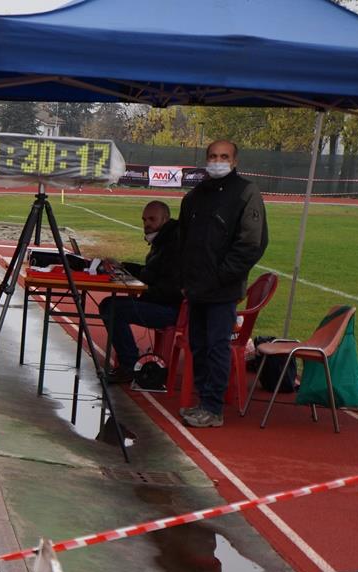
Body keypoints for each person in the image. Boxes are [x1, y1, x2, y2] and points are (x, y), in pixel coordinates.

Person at [178, 140, 268, 428]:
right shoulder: (195, 196)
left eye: (224, 156)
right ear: (206, 159)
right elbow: (183, 241)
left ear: (235, 161)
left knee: (217, 347)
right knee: (198, 346)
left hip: (222, 290)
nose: (218, 161)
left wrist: (220, 277)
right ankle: (203, 402)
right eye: (213, 156)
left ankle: (213, 408)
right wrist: (187, 279)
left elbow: (252, 244)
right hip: (196, 289)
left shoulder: (246, 192)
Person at [98, 200, 182, 383]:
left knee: (111, 308)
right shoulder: (164, 239)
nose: (146, 224)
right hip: (162, 302)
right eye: (144, 220)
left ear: (165, 219)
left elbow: (160, 282)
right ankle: (128, 363)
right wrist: (123, 267)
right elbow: (151, 273)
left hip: (171, 309)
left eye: (152, 219)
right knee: (109, 305)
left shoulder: (172, 244)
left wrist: (140, 285)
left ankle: (129, 366)